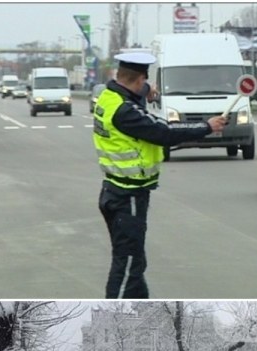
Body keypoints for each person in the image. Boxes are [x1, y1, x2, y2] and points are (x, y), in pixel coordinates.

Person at [93, 52, 228, 299]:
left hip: (114, 190)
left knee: (134, 262)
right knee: (128, 266)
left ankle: (140, 304)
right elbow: (163, 131)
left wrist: (144, 92)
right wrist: (207, 126)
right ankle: (118, 314)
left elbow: (134, 99)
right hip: (128, 196)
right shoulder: (125, 111)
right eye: (144, 82)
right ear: (141, 78)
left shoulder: (108, 97)